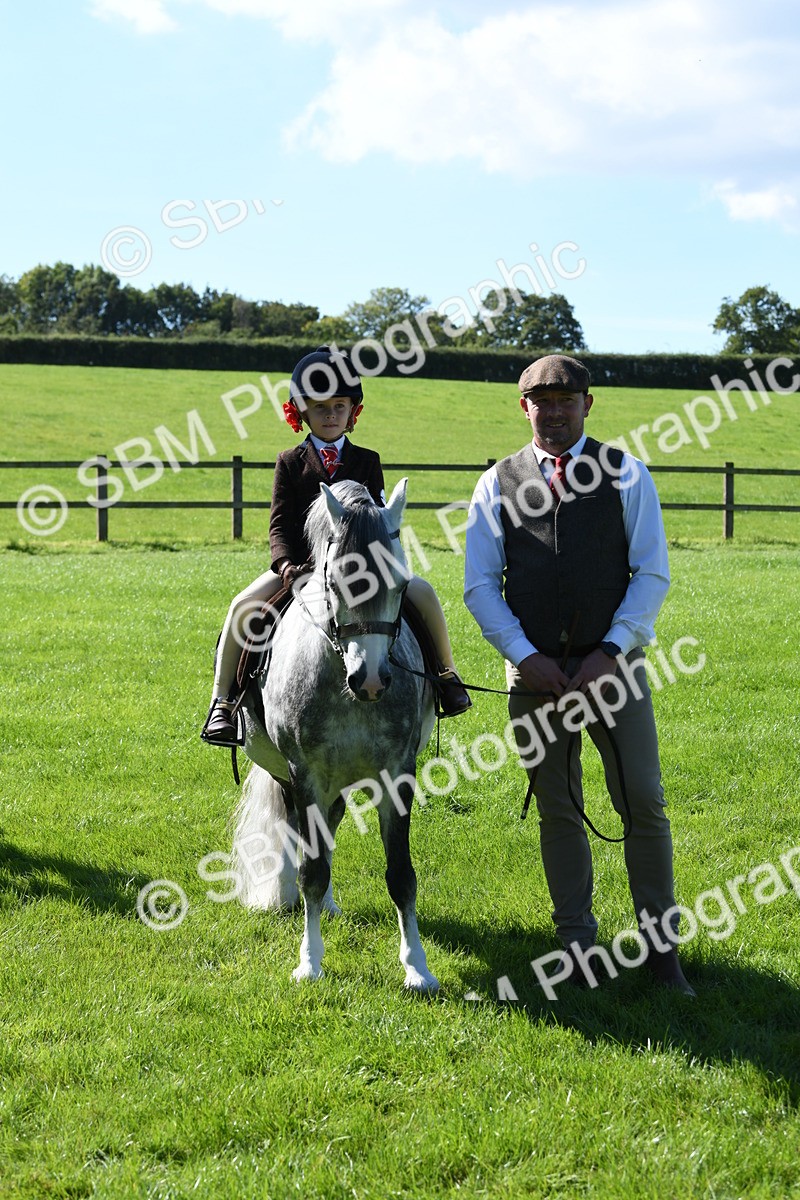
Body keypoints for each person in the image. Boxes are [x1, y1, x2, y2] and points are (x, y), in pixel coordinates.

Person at [464, 353, 694, 995]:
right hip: (534, 679)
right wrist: (524, 657)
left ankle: (660, 949)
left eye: (568, 400)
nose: (556, 411)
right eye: (543, 400)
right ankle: (576, 945)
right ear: (524, 407)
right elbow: (480, 587)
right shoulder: (496, 484)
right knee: (559, 810)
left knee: (643, 802)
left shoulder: (627, 474)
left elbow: (651, 574)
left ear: (588, 405)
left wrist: (613, 651)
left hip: (614, 671)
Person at [202, 346, 471, 745]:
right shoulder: (289, 461)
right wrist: (285, 565)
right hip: (303, 569)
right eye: (321, 406)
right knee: (243, 605)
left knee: (423, 593)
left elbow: (379, 515)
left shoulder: (368, 459)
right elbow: (278, 524)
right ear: (302, 413)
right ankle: (222, 703)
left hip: (363, 569)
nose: (330, 415)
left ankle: (446, 675)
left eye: (339, 406)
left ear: (352, 412)